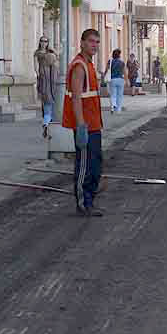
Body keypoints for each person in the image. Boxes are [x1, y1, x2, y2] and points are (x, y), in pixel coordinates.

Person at [62, 29, 104, 217]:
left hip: (94, 125)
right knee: (85, 167)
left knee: (95, 165)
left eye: (97, 42)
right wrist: (80, 126)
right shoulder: (79, 66)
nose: (95, 45)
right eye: (91, 41)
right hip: (85, 126)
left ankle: (90, 201)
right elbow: (76, 99)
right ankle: (83, 204)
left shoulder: (89, 64)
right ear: (82, 43)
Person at [35, 36, 58, 139]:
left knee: (50, 104)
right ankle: (46, 124)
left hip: (52, 80)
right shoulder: (37, 53)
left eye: (46, 41)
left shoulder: (51, 52)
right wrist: (39, 75)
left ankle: (46, 124)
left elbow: (57, 57)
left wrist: (53, 50)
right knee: (47, 104)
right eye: (42, 41)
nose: (44, 43)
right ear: (39, 42)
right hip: (44, 80)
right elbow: (36, 67)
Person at [102, 48, 126, 113]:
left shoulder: (110, 62)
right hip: (120, 80)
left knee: (113, 94)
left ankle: (113, 105)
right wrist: (127, 80)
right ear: (119, 55)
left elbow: (106, 69)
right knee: (120, 95)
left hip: (113, 79)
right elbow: (124, 72)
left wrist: (104, 75)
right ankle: (118, 109)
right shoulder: (122, 62)